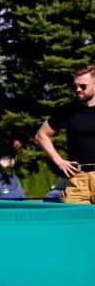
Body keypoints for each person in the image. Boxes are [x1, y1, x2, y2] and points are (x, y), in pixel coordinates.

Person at [35, 64, 95, 203]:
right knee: (75, 217)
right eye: (75, 86)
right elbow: (41, 136)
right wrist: (59, 161)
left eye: (83, 86)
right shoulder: (68, 110)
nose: (78, 89)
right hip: (77, 180)